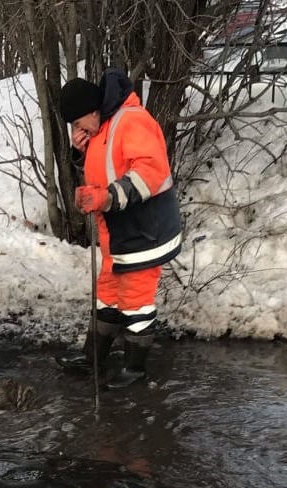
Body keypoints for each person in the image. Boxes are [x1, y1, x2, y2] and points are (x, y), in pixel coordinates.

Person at [55, 68, 182, 389]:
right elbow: (106, 166)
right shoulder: (103, 127)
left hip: (144, 230)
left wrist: (107, 196)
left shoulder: (131, 121)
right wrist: (79, 153)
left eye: (78, 123)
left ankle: (135, 369)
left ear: (93, 111)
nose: (77, 129)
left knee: (135, 298)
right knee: (108, 294)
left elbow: (150, 172)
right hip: (118, 231)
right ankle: (92, 357)